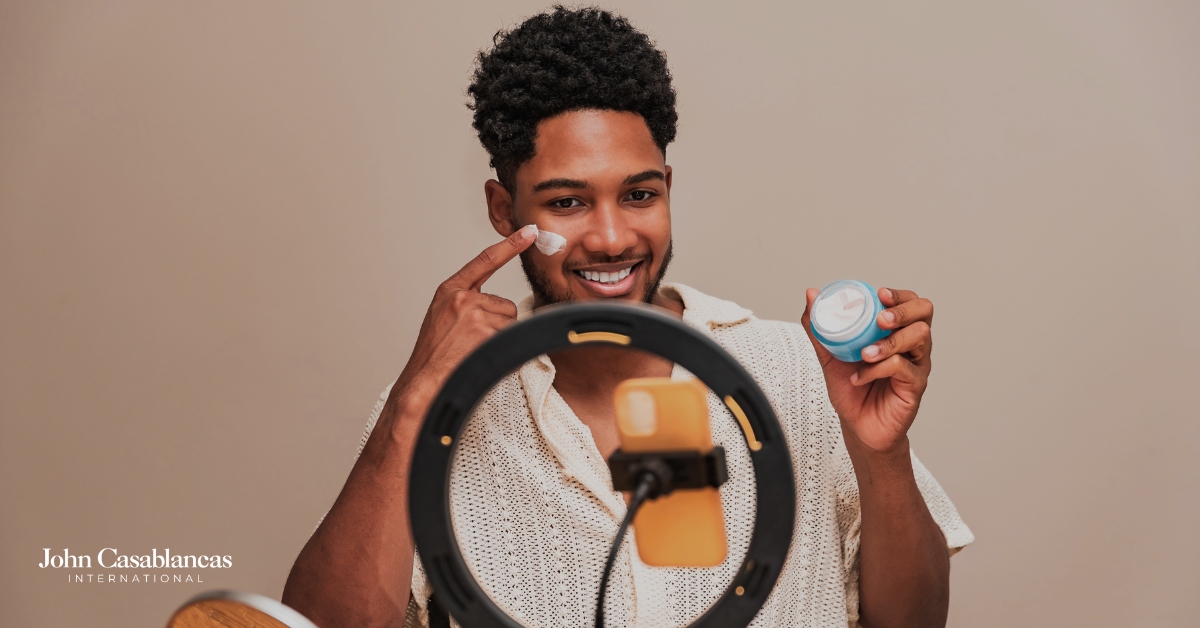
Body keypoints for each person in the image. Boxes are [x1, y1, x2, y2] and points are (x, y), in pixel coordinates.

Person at [282, 6, 971, 628]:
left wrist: (881, 454)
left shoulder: (798, 370)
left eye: (638, 195)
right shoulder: (438, 405)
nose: (612, 239)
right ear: (503, 209)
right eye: (567, 203)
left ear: (666, 188)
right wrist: (412, 405)